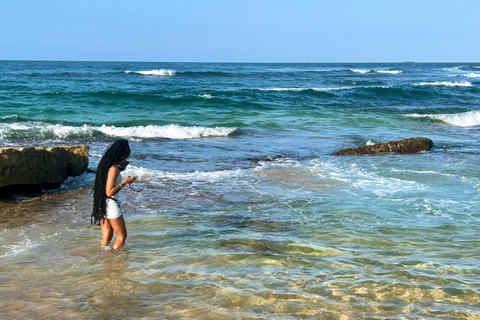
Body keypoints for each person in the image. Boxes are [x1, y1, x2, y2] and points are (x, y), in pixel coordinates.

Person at [92, 139, 136, 250]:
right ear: (120, 155)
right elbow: (109, 192)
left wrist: (119, 171)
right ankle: (112, 259)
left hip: (101, 204)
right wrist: (125, 182)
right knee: (121, 237)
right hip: (111, 204)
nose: (126, 159)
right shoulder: (112, 169)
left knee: (106, 237)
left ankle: (103, 260)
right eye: (125, 157)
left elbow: (107, 182)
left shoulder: (105, 165)